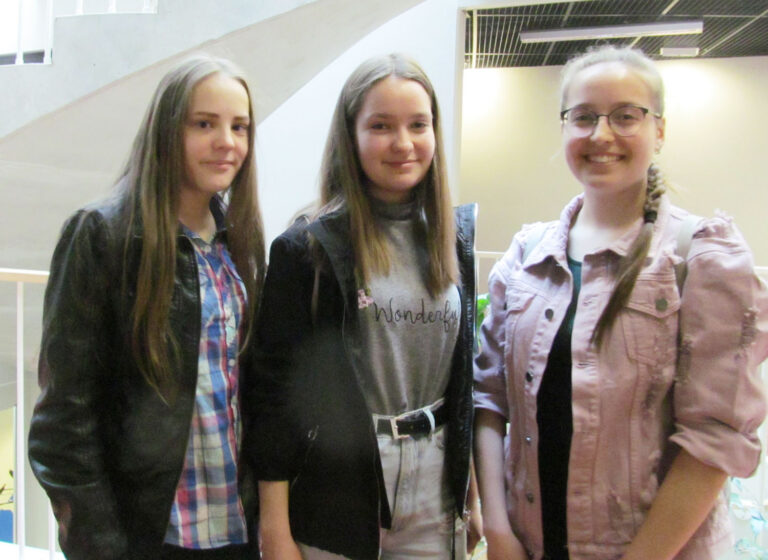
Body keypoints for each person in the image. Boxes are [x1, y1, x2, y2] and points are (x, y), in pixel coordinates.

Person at [474, 44, 768, 560]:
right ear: (564, 128)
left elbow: (715, 439)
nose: (601, 134)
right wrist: (498, 531)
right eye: (584, 117)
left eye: (625, 116)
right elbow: (489, 400)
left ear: (660, 130)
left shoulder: (700, 257)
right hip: (529, 544)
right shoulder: (526, 256)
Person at [27, 55, 265, 559]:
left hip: (236, 531)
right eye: (204, 124)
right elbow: (62, 425)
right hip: (147, 538)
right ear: (166, 129)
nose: (227, 141)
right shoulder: (101, 234)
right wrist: (102, 548)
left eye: (239, 126)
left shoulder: (239, 240)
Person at [247, 53, 476, 560]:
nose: (403, 143)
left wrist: (472, 494)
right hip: (338, 489)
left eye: (418, 125)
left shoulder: (454, 240)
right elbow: (273, 398)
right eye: (380, 126)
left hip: (436, 490)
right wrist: (275, 529)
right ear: (350, 135)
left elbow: (462, 382)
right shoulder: (307, 249)